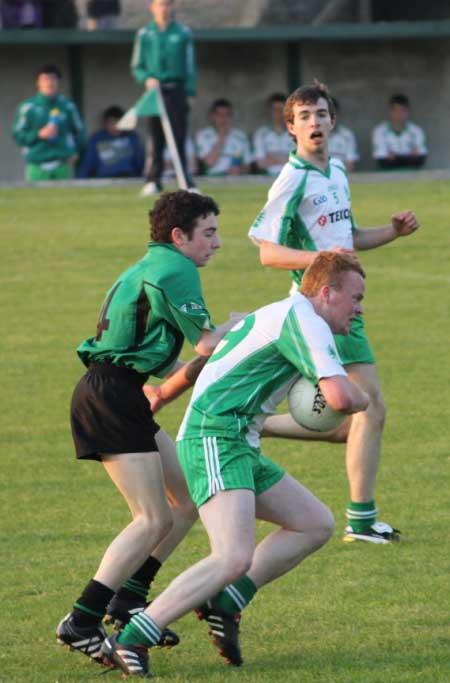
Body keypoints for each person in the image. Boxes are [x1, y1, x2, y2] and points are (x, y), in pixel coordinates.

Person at [100, 252, 370, 677]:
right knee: (231, 556)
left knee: (313, 522)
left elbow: (222, 358)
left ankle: (226, 601)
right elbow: (339, 399)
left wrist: (167, 394)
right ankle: (134, 635)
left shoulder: (288, 314)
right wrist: (364, 399)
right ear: (326, 291)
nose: (359, 307)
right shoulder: (306, 321)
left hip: (238, 438)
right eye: (355, 297)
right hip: (215, 436)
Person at [55, 190, 245, 664]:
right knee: (153, 518)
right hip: (111, 397)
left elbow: (170, 362)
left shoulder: (148, 266)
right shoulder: (175, 270)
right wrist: (243, 327)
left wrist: (193, 376)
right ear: (179, 236)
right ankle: (81, 620)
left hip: (122, 392)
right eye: (209, 233)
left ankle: (129, 598)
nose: (216, 244)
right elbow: (207, 344)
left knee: (186, 501)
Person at [248, 81, 420, 544]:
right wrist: (321, 264)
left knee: (356, 419)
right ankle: (361, 522)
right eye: (303, 116)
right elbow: (267, 252)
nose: (314, 123)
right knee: (371, 409)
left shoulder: (337, 171)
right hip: (319, 306)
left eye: (320, 114)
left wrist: (393, 232)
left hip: (345, 303)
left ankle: (255, 423)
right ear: (290, 128)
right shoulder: (292, 179)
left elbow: (349, 236)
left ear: (333, 121)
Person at [131, 0, 196, 196]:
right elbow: (137, 65)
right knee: (155, 136)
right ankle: (153, 179)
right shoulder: (145, 34)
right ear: (152, 7)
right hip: (155, 91)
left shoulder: (183, 33)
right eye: (160, 4)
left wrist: (190, 91)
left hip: (176, 89)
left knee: (178, 136)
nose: (164, 8)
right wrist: (146, 78)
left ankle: (185, 180)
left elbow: (190, 65)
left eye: (168, 4)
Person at [12, 64, 84, 181]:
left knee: (64, 198)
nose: (49, 83)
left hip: (62, 163)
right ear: (38, 82)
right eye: (45, 79)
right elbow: (18, 135)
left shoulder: (67, 106)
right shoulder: (28, 107)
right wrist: (38, 134)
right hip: (37, 163)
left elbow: (79, 131)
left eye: (53, 79)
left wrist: (75, 151)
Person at [78, 105, 145, 179]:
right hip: (104, 179)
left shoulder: (132, 138)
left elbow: (140, 163)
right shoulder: (97, 139)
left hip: (128, 178)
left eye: (118, 122)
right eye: (112, 123)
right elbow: (87, 164)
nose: (115, 126)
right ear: (105, 123)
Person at [196, 98, 252, 176]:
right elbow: (209, 162)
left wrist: (240, 170)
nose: (223, 118)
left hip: (236, 180)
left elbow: (248, 166)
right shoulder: (203, 135)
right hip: (211, 179)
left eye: (227, 115)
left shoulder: (240, 136)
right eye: (219, 114)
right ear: (212, 116)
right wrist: (222, 137)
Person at [372, 94, 427, 170]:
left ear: (408, 112)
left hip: (413, 175)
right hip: (387, 176)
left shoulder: (416, 131)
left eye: (403, 110)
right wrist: (409, 156)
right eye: (396, 110)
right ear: (390, 112)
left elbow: (420, 159)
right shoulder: (380, 131)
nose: (399, 114)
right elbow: (382, 161)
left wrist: (394, 157)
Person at [252, 93, 293, 175]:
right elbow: (260, 163)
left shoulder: (296, 133)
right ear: (270, 111)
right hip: (268, 179)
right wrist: (287, 158)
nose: (279, 113)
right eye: (275, 109)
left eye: (282, 109)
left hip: (292, 178)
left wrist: (271, 157)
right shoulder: (261, 134)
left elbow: (301, 162)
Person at [328, 97, 359, 172]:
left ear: (338, 114)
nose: (331, 118)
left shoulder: (347, 135)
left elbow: (351, 165)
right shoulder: (312, 135)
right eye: (325, 114)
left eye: (333, 114)